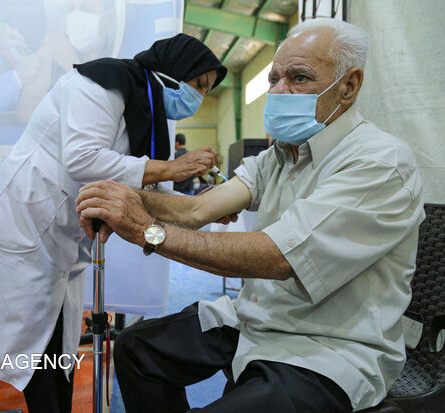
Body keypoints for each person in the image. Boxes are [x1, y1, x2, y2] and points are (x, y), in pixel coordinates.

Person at [76, 19, 425, 413]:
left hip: (328, 346)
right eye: (274, 79)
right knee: (137, 349)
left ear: (348, 86)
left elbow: (278, 257)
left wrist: (148, 231)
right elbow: (195, 209)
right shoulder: (278, 157)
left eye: (299, 78)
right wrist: (124, 196)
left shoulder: (379, 163)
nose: (278, 92)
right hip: (256, 318)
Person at [0, 34, 227, 412]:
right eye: (198, 85)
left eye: (208, 91)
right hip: (26, 226)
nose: (199, 98)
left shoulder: (145, 113)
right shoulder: (102, 83)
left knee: (56, 346)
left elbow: (147, 197)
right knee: (35, 349)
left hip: (63, 238)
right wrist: (172, 167)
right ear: (174, 71)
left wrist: (208, 206)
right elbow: (82, 159)